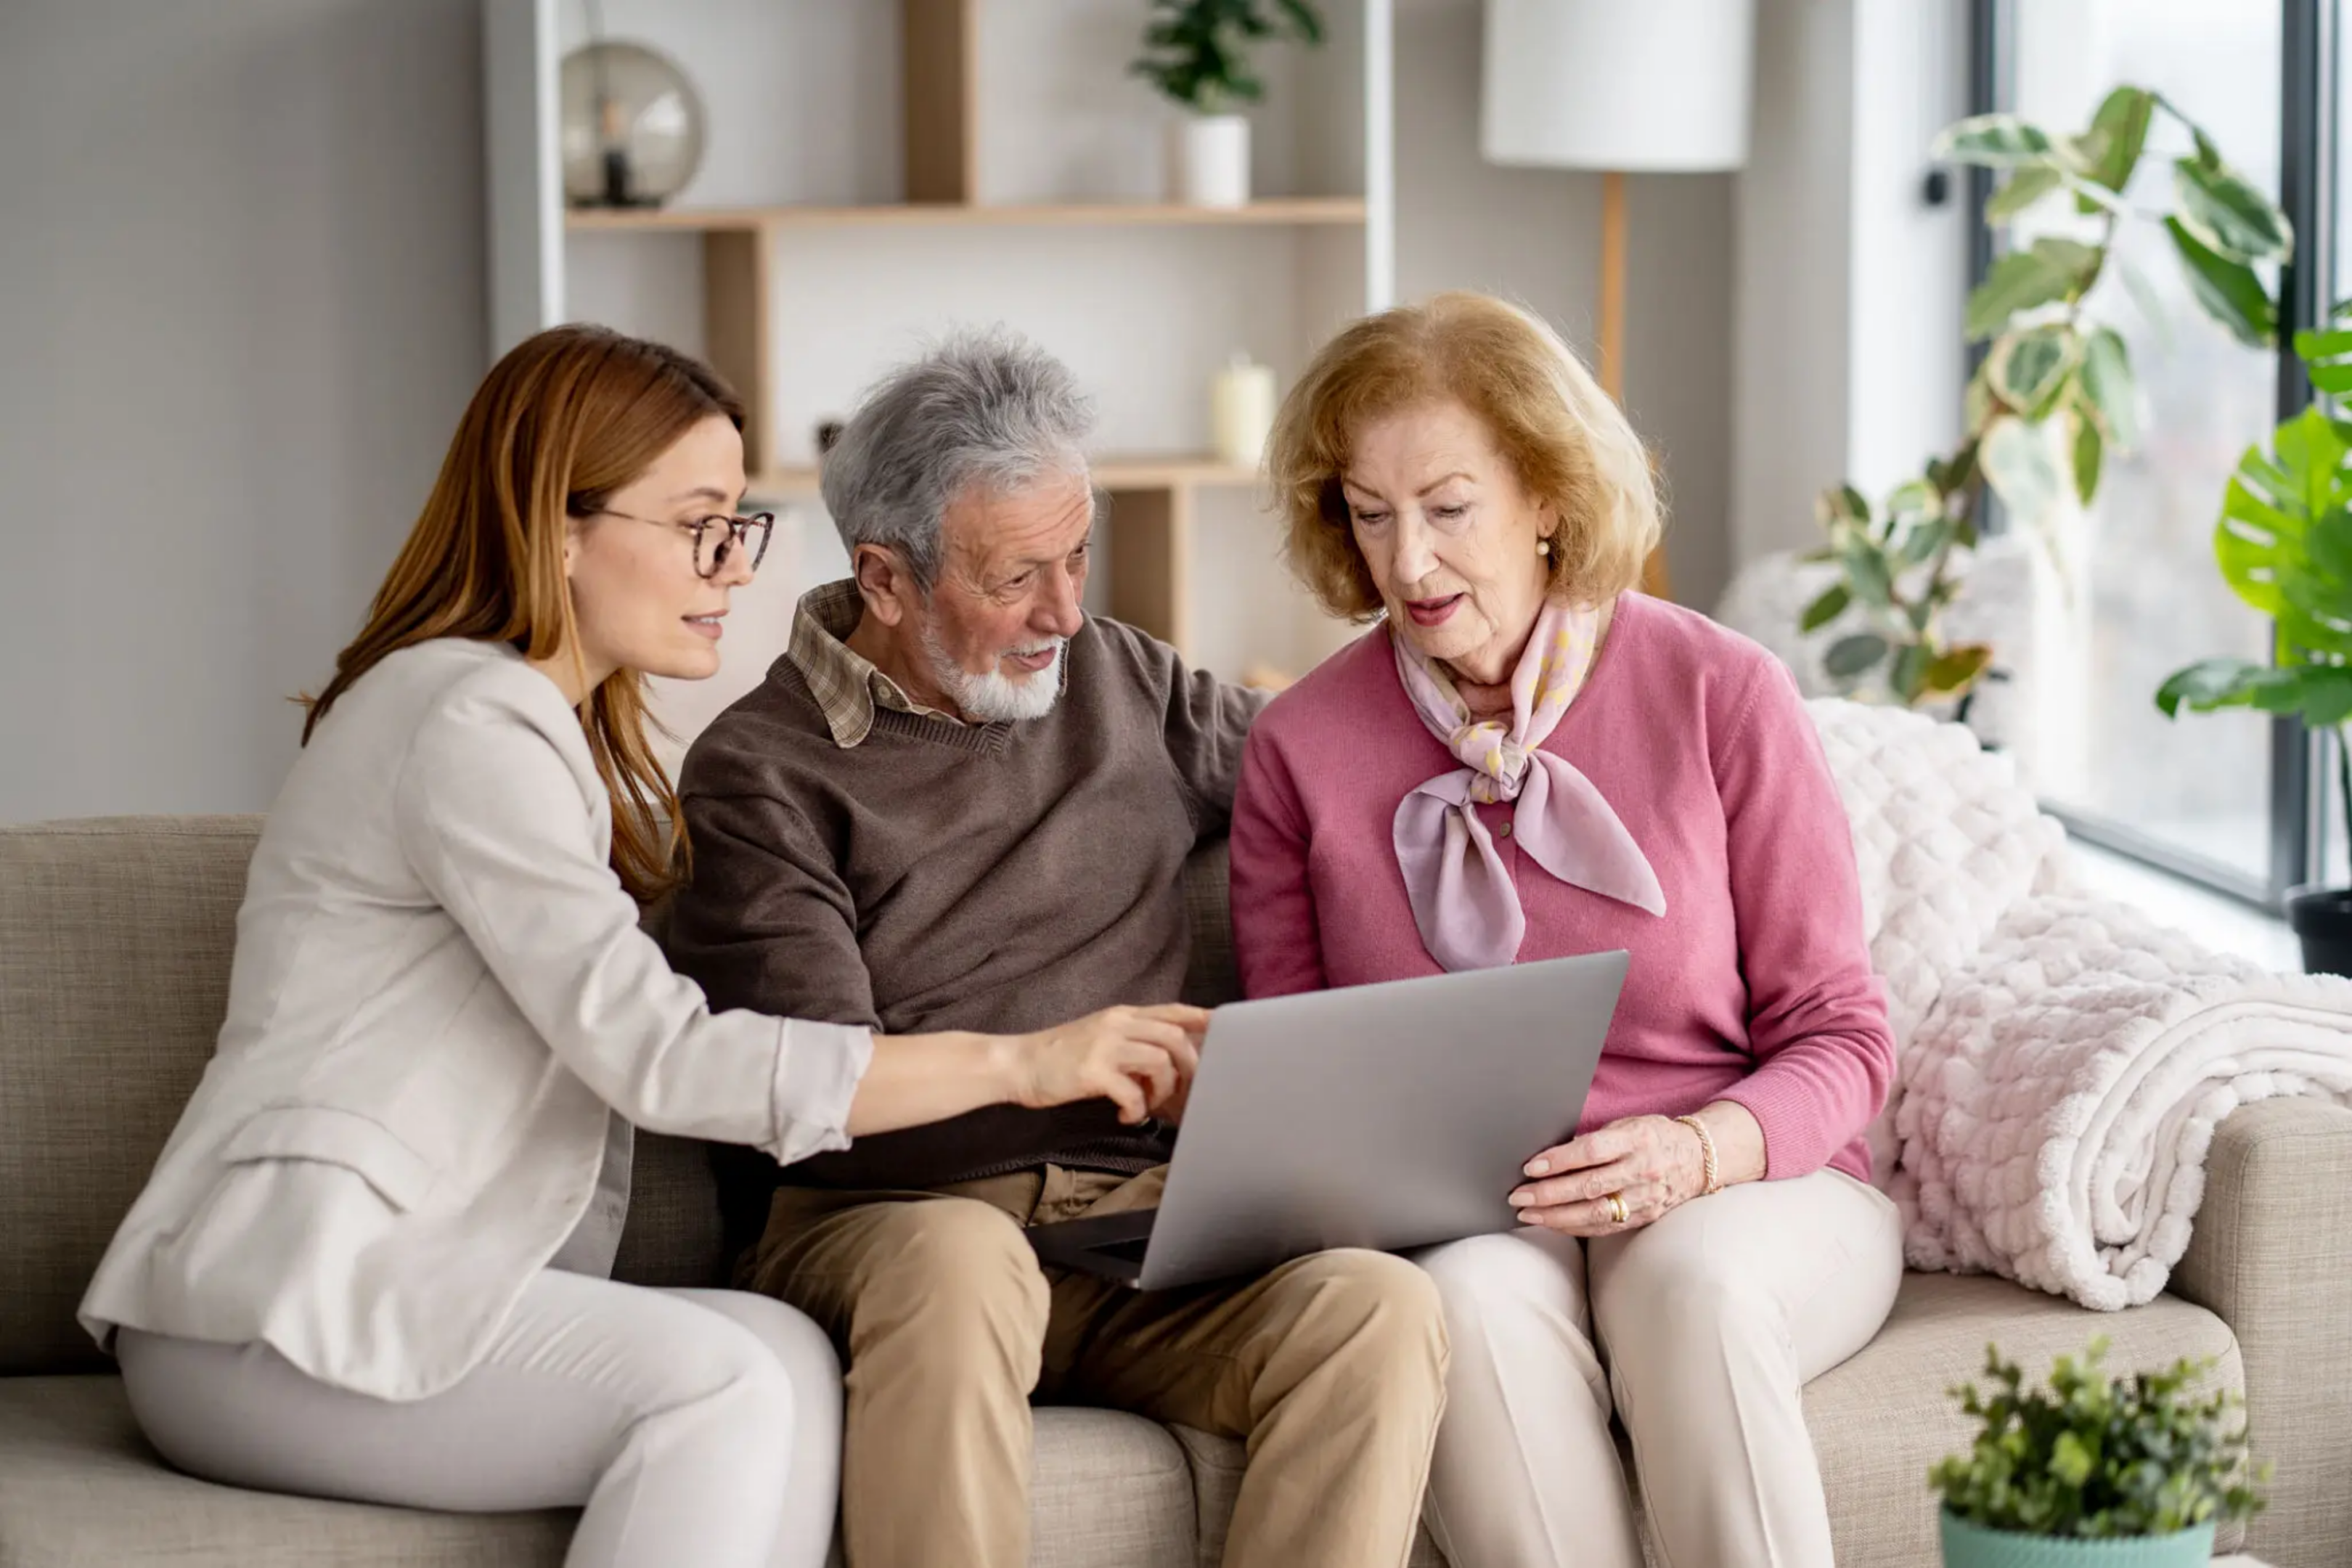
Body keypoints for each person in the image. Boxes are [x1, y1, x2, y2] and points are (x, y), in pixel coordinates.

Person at [77, 324, 1206, 1568]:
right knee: (719, 1390)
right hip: (275, 1304)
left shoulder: (532, 729)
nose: (732, 567)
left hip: (366, 1291)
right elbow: (663, 1060)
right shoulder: (468, 718)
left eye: (739, 526)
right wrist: (1026, 1063)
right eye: (698, 525)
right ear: (561, 527)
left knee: (779, 1361)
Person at [666, 329, 1450, 1568]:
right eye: (1019, 576)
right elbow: (820, 1088)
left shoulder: (1121, 676)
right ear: (886, 579)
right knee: (964, 1255)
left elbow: (1344, 770)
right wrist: (1056, 1057)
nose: (1067, 612)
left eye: (1081, 553)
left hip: (1136, 1230)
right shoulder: (759, 774)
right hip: (895, 1227)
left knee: (1378, 1306)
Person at [1228, 292, 1903, 1568]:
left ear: (1546, 494)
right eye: (1371, 516)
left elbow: (1843, 1036)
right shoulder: (1298, 750)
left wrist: (1695, 1154)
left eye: (1447, 507)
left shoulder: (1720, 688)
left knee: (1690, 1292)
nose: (1409, 564)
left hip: (1743, 1187)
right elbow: (1302, 1087)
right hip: (1476, 1224)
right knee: (1464, 1308)